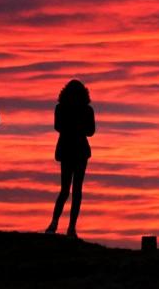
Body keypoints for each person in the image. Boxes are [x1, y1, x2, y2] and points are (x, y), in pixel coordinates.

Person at [45, 78, 95, 238]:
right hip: (76, 150)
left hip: (70, 150)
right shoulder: (85, 110)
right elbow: (90, 131)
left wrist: (72, 126)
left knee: (67, 190)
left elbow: (59, 126)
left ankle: (58, 224)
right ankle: (68, 227)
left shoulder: (62, 108)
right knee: (74, 190)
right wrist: (78, 126)